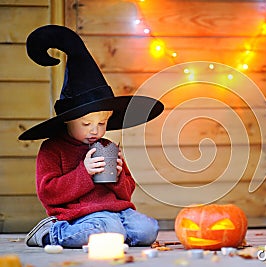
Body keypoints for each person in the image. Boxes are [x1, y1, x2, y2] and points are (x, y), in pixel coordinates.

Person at [18, 25, 164, 248]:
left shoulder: (106, 145)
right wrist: (84, 172)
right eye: (86, 124)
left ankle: (112, 236)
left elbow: (127, 192)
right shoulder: (52, 149)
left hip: (117, 212)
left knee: (148, 230)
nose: (95, 130)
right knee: (108, 229)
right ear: (68, 121)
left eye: (102, 123)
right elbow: (48, 193)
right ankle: (51, 232)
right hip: (77, 215)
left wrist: (117, 176)